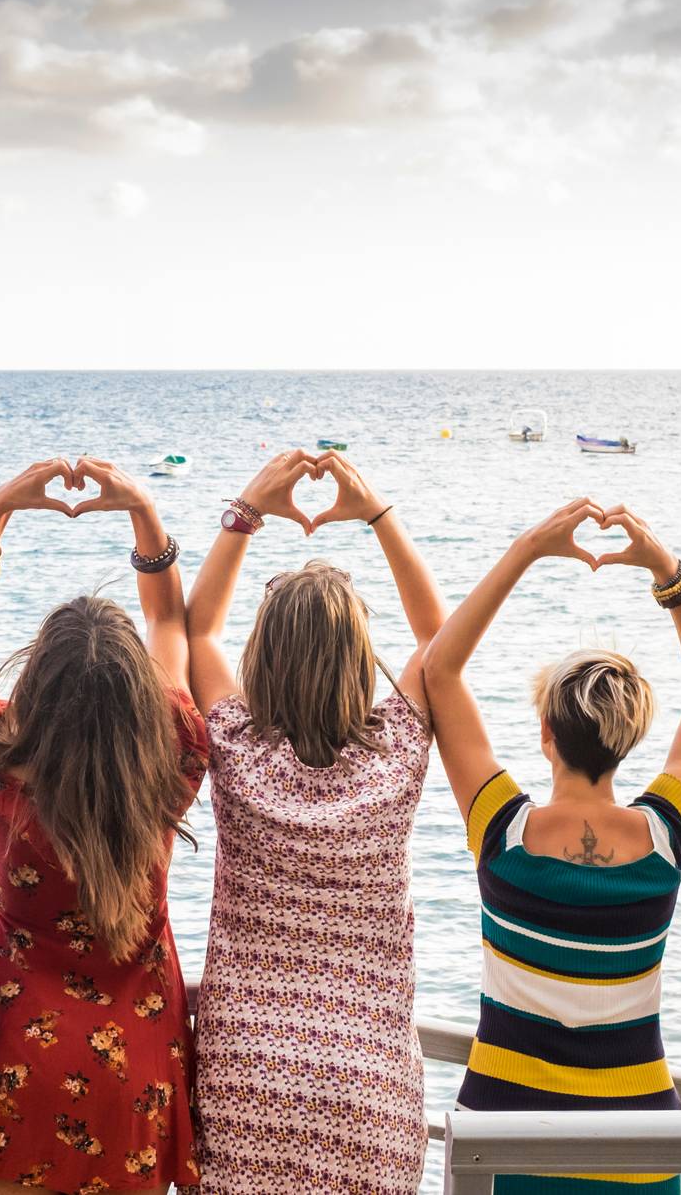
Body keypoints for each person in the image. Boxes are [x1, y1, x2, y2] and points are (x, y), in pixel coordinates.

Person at [418, 499, 681, 1195]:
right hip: (641, 1144)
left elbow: (439, 670)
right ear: (626, 743)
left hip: (502, 1144)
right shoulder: (662, 839)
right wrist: (667, 571)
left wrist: (529, 547)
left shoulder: (502, 831)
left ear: (545, 734)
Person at [184, 450, 447, 1195]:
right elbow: (438, 643)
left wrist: (247, 509)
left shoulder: (237, 751)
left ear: (262, 656)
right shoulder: (394, 757)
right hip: (369, 1091)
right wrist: (377, 514)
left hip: (247, 1080)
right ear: (361, 659)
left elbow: (197, 627)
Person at [0, 458, 206, 1195]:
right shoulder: (173, 758)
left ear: (37, 681)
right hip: (135, 1068)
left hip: (17, 1062)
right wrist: (142, 510)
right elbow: (168, 618)